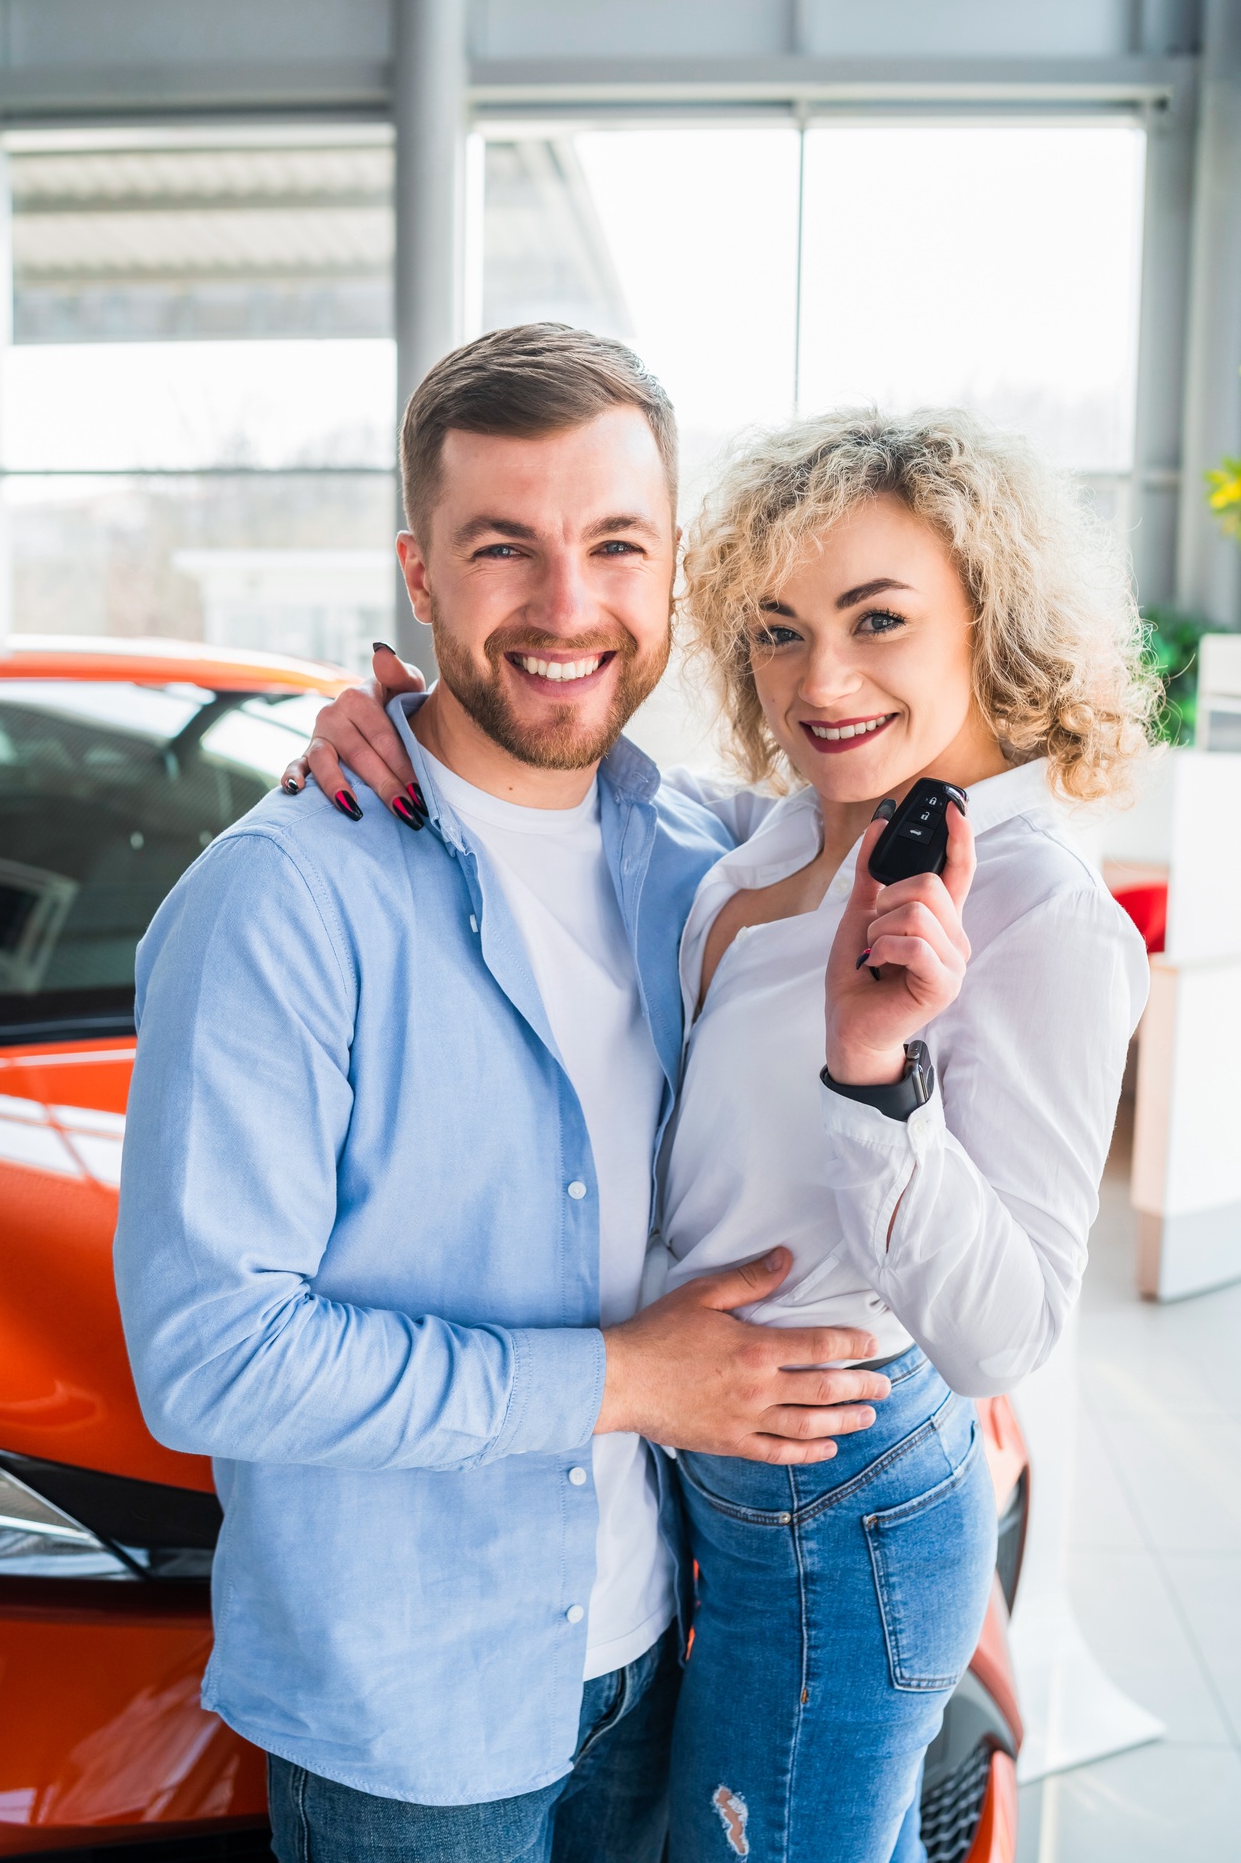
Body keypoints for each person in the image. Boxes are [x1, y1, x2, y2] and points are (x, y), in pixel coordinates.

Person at [115, 328, 950, 1863]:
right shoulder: (280, 903)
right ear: (419, 577)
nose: (567, 608)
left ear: (673, 568)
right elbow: (211, 1356)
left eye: (615, 545)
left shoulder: (713, 863)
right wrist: (622, 1382)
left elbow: (931, 775)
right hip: (413, 1730)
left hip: (661, 1650)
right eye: (503, 548)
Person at [291, 405, 1153, 1862]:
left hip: (845, 1505)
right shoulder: (789, 824)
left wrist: (875, 1076)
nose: (821, 682)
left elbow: (1004, 1335)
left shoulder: (1035, 909)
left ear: (986, 613)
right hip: (704, 1471)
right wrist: (401, 731)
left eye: (878, 620)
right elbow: (551, 786)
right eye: (775, 632)